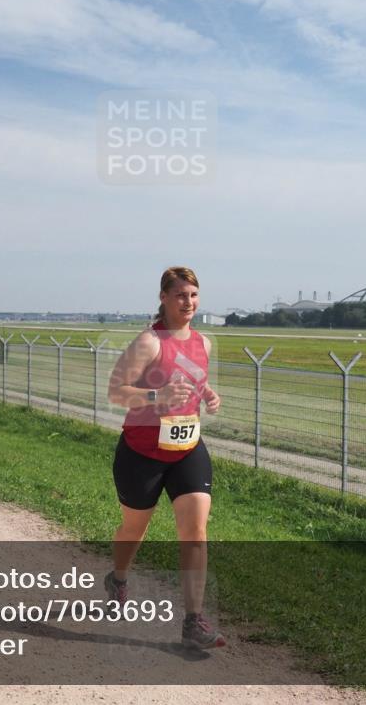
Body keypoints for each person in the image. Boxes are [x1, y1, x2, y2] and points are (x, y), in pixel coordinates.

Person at [106, 266, 226, 650]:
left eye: (193, 295)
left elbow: (192, 373)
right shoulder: (148, 342)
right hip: (142, 451)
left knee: (195, 531)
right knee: (133, 530)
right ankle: (119, 578)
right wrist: (156, 397)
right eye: (179, 295)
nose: (187, 302)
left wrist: (206, 394)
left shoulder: (203, 343)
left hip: (187, 448)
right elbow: (115, 392)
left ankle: (194, 620)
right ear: (163, 298)